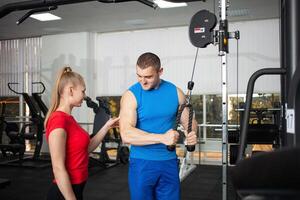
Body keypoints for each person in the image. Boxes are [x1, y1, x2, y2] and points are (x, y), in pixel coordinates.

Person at [119, 52, 198, 200]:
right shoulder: (131, 95)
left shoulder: (175, 92)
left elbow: (190, 121)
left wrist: (192, 133)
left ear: (160, 72)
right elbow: (126, 133)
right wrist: (162, 138)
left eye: (148, 77)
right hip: (142, 163)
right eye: (139, 76)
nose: (143, 82)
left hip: (168, 162)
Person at [44, 66, 119, 200]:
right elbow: (58, 167)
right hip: (64, 193)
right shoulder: (58, 120)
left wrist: (107, 126)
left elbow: (87, 148)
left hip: (77, 188)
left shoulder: (69, 119)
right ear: (71, 90)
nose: (84, 96)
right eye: (83, 91)